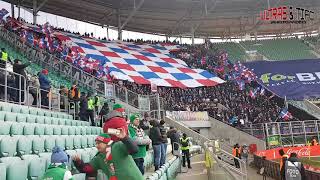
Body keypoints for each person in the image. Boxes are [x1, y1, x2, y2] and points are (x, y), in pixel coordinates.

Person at [73, 133, 144, 180]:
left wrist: (125, 138)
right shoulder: (99, 157)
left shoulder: (118, 146)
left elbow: (134, 150)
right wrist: (78, 162)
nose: (96, 146)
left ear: (106, 143)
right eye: (96, 143)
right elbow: (86, 169)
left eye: (99, 143)